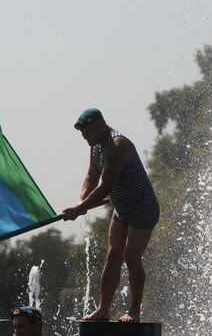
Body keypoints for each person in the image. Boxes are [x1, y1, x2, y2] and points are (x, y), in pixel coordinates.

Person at [62, 108, 160, 323]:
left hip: (143, 208)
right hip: (122, 209)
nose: (84, 138)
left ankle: (134, 311)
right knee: (113, 256)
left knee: (131, 257)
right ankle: (103, 309)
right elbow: (91, 175)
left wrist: (79, 210)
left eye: (86, 133)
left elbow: (106, 185)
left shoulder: (118, 145)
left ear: (98, 126)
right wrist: (81, 202)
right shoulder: (96, 145)